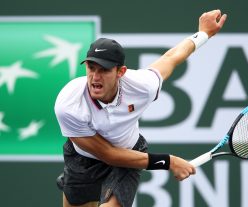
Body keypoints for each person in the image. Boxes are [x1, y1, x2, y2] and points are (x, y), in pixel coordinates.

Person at [54, 9, 227, 207]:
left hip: (129, 153)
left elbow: (171, 58)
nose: (95, 77)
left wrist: (204, 33)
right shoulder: (69, 105)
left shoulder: (141, 86)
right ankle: (73, 182)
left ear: (121, 72)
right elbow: (108, 154)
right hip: (84, 158)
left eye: (104, 70)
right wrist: (169, 161)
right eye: (91, 68)